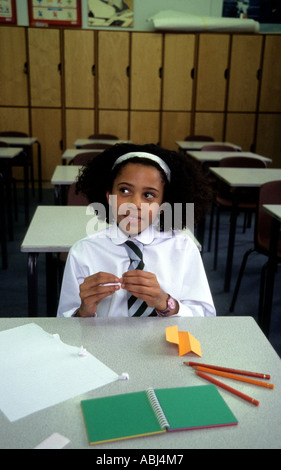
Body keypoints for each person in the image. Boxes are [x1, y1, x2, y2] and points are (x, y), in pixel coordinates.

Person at [57, 143, 216, 318]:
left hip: (166, 342)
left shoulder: (183, 248)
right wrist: (83, 312)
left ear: (162, 206)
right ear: (109, 196)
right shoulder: (83, 252)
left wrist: (165, 302)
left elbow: (205, 318)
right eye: (125, 190)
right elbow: (64, 321)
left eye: (149, 195)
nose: (135, 204)